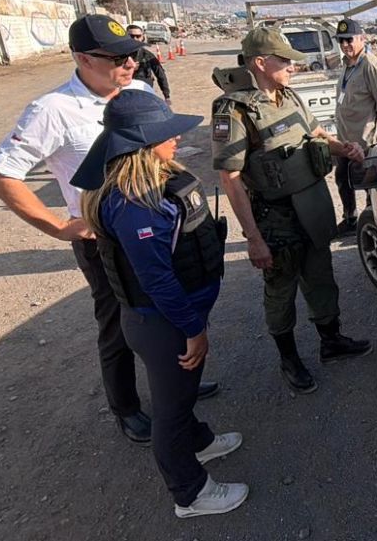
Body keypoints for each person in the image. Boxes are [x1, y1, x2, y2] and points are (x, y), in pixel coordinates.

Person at [0, 15, 217, 447]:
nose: (131, 63)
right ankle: (126, 407)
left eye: (132, 54)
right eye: (117, 58)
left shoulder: (139, 91)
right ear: (82, 59)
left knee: (170, 309)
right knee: (119, 323)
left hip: (157, 229)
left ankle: (175, 381)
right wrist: (58, 226)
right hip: (106, 241)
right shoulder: (52, 110)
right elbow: (0, 176)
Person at [72, 89, 247, 518]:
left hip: (172, 318)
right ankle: (190, 493)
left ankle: (198, 442)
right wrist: (193, 329)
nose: (176, 139)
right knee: (170, 409)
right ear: (140, 145)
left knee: (182, 397)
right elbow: (156, 279)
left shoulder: (154, 183)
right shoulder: (135, 204)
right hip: (164, 324)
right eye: (165, 134)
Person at [211, 25, 371, 394]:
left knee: (321, 275)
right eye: (285, 61)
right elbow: (230, 177)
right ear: (261, 63)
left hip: (312, 207)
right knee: (281, 290)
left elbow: (315, 135)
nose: (293, 66)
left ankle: (331, 341)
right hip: (275, 217)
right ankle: (289, 359)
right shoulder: (233, 110)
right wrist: (253, 238)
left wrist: (344, 148)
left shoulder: (289, 95)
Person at [332, 18, 377, 236]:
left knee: (369, 186)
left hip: (366, 141)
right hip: (345, 141)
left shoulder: (369, 65)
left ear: (362, 39)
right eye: (341, 41)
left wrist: (376, 131)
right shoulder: (347, 64)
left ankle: (371, 224)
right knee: (343, 179)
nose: (345, 45)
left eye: (349, 40)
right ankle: (350, 219)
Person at [127, 24, 171, 103]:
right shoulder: (116, 55)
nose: (135, 39)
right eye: (131, 36)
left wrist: (167, 96)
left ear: (142, 37)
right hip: (125, 93)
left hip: (145, 93)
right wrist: (126, 68)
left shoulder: (148, 55)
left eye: (138, 36)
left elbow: (160, 74)